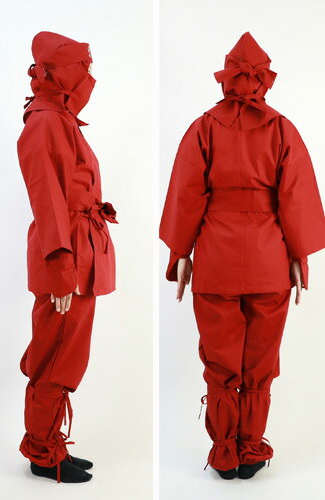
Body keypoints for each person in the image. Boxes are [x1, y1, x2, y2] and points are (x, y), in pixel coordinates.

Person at [160, 32, 325, 480]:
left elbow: (186, 196)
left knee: (219, 359)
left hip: (215, 257)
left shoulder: (203, 128)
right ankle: (250, 448)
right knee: (260, 360)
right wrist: (299, 256)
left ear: (226, 77)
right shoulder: (282, 130)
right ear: (264, 80)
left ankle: (225, 451)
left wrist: (181, 254)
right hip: (269, 258)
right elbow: (295, 199)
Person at [17, 31, 117, 483]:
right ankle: (42, 453)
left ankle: (50, 442)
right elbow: (47, 198)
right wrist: (61, 267)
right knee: (54, 354)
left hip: (80, 250)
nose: (90, 76)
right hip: (66, 254)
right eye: (84, 68)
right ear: (61, 73)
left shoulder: (61, 119)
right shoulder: (45, 122)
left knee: (67, 353)